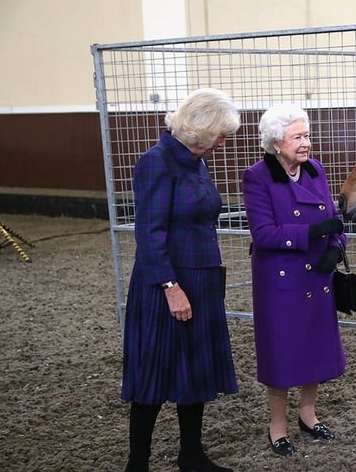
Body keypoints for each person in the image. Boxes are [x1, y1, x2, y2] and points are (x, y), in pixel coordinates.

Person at [121, 88, 240, 472]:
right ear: (201, 130)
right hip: (168, 285)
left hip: (202, 280)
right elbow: (150, 234)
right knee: (153, 373)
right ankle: (136, 463)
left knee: (196, 370)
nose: (224, 143)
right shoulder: (157, 163)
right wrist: (171, 288)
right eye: (221, 135)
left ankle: (191, 455)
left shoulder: (197, 161)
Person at [242, 104, 347, 457]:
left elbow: (334, 219)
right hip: (280, 282)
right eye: (298, 137)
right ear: (275, 142)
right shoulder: (257, 176)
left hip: (317, 275)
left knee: (314, 347)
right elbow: (263, 233)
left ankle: (308, 414)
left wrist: (335, 249)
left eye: (307, 136)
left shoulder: (315, 169)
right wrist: (311, 232)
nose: (306, 143)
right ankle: (278, 426)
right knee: (282, 353)